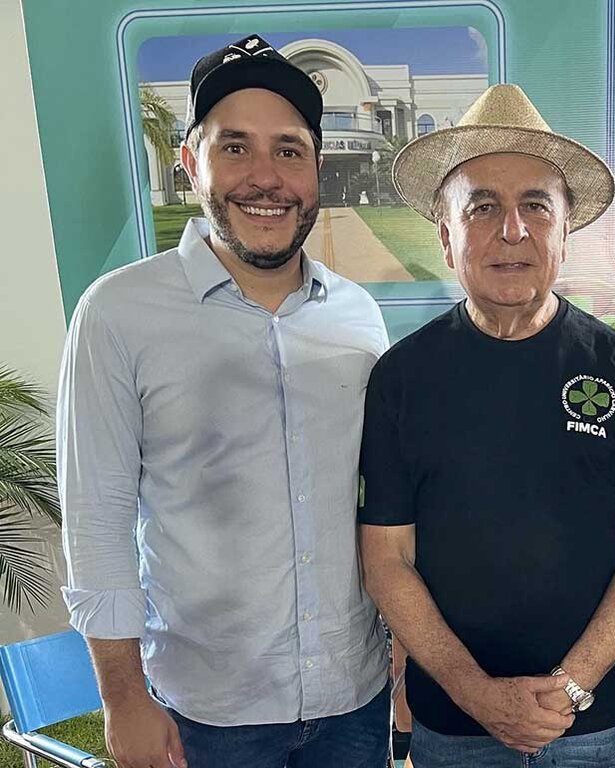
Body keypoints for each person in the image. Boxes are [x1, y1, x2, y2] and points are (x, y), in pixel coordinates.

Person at [58, 34, 390, 768]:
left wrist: (399, 656)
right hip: (206, 712)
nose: (265, 178)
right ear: (191, 163)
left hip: (353, 699)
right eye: (234, 148)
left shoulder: (359, 316)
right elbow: (98, 516)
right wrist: (121, 697)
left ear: (317, 169)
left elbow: (383, 503)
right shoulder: (118, 312)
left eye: (290, 150)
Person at [357, 83, 615, 768]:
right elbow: (387, 560)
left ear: (565, 232)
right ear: (446, 237)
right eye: (482, 208)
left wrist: (569, 687)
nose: (512, 229)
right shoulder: (401, 379)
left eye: (536, 205)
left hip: (595, 726)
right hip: (454, 727)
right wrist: (477, 695)